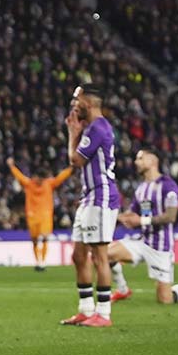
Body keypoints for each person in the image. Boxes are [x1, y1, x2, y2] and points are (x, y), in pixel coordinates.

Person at [60, 85, 121, 328]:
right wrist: (76, 131)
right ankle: (86, 309)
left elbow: (75, 160)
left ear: (91, 102)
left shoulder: (98, 127)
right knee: (78, 255)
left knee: (99, 256)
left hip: (101, 197)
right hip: (89, 197)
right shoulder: (92, 127)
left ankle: (103, 314)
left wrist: (72, 133)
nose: (74, 104)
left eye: (78, 100)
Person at [109, 147, 178, 304]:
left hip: (161, 247)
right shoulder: (141, 189)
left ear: (152, 161)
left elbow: (171, 216)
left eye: (140, 158)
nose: (136, 162)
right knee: (105, 253)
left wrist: (141, 221)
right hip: (142, 241)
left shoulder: (168, 185)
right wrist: (117, 216)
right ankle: (123, 290)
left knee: (165, 300)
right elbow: (133, 214)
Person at [6, 157, 72, 271]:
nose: (41, 182)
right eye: (40, 179)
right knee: (35, 240)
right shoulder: (29, 183)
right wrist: (11, 166)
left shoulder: (49, 183)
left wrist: (70, 169)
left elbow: (60, 178)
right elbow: (18, 176)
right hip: (32, 216)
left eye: (43, 179)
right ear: (35, 176)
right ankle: (38, 261)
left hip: (45, 215)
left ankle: (43, 262)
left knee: (45, 238)